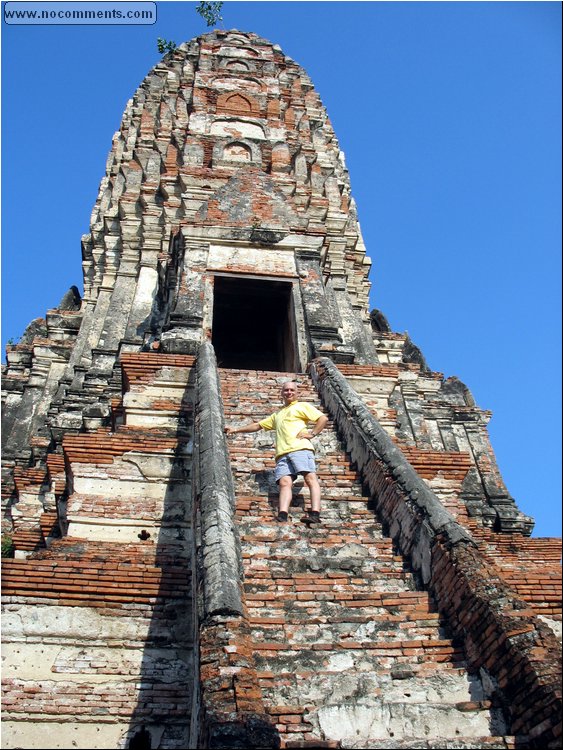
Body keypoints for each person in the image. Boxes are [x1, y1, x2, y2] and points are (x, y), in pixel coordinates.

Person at [224, 380, 329, 524]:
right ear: (281, 393)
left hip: (300, 448)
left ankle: (315, 513)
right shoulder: (277, 414)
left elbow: (322, 418)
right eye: (286, 390)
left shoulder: (302, 406)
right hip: (282, 454)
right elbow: (257, 426)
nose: (289, 392)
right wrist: (235, 429)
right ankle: (283, 514)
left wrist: (313, 433)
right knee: (285, 483)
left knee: (310, 478)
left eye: (292, 390)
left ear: (297, 393)